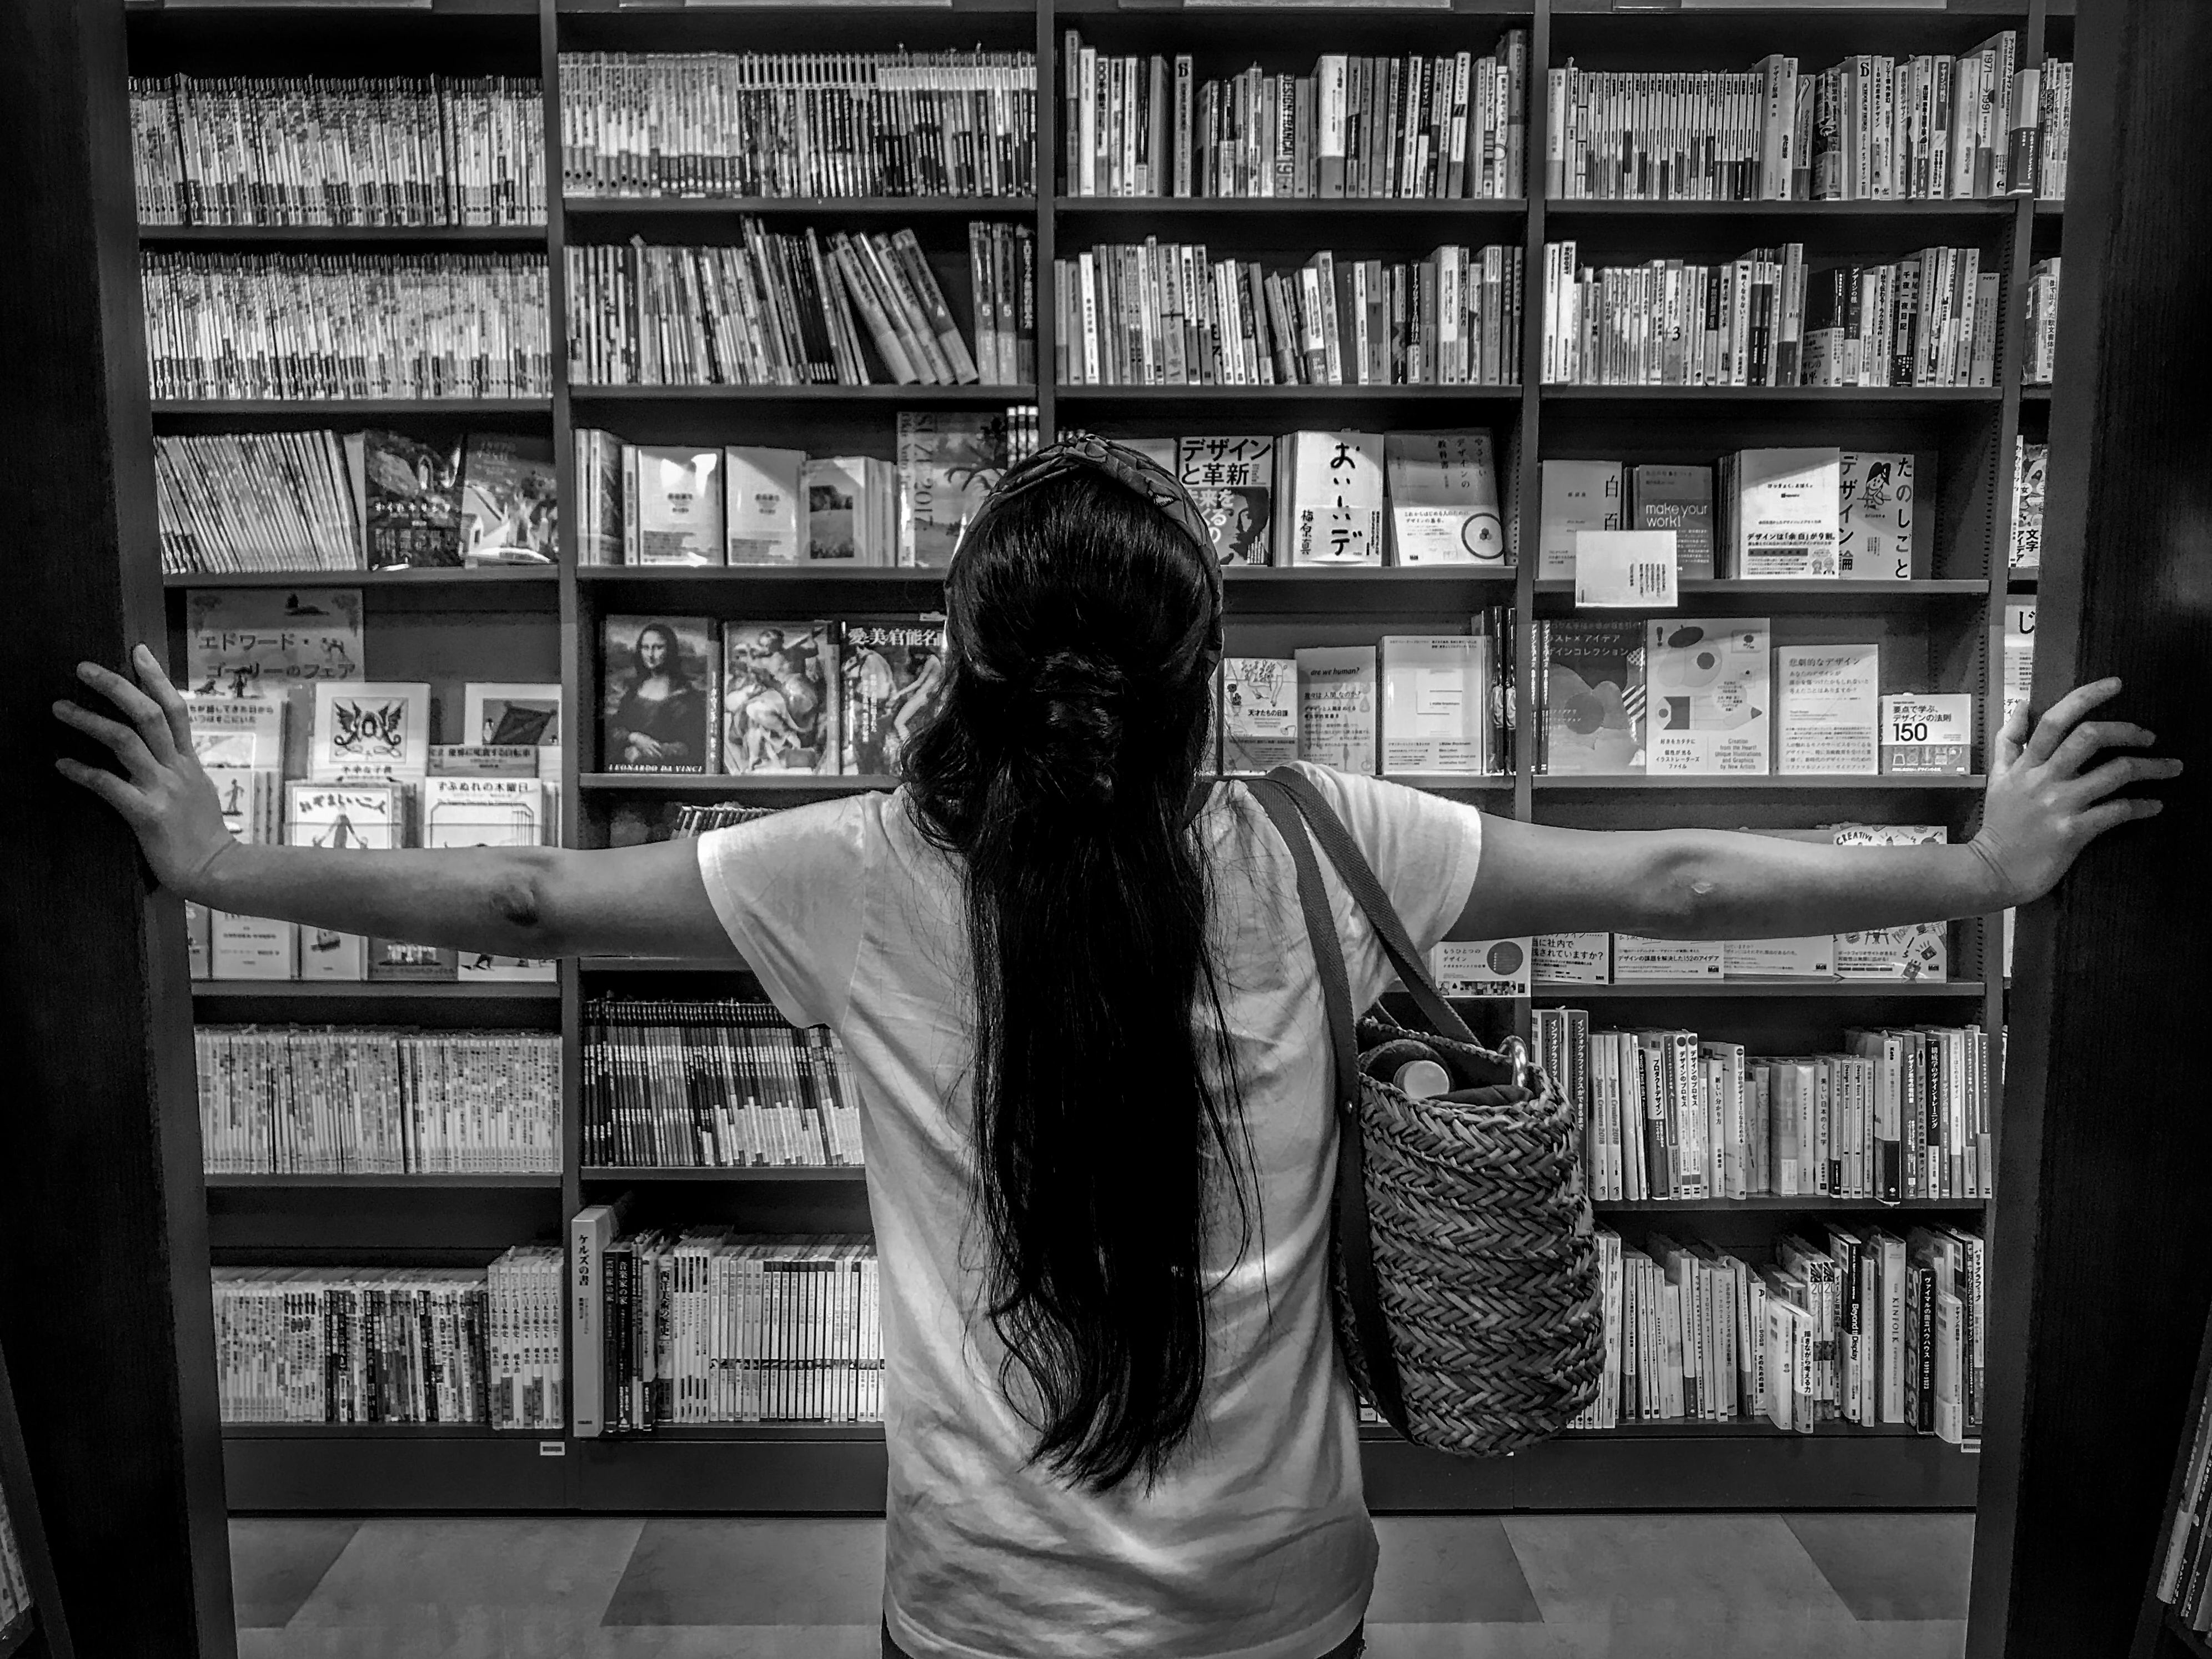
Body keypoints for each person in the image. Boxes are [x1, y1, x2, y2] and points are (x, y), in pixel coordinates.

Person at [54, 438, 2176, 1659]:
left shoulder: (843, 866)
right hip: (1281, 1586)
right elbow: (1684, 888)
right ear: (1202, 679)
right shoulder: (1342, 835)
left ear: (958, 669)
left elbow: (523, 899)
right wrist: (1979, 867)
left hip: (981, 1589)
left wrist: (223, 855)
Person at [606, 620, 707, 771]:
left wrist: (644, 753)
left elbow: (690, 747)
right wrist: (633, 738)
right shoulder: (634, 690)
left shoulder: (685, 697)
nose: (651, 655)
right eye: (645, 648)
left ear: (670, 650)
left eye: (658, 648)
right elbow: (614, 729)